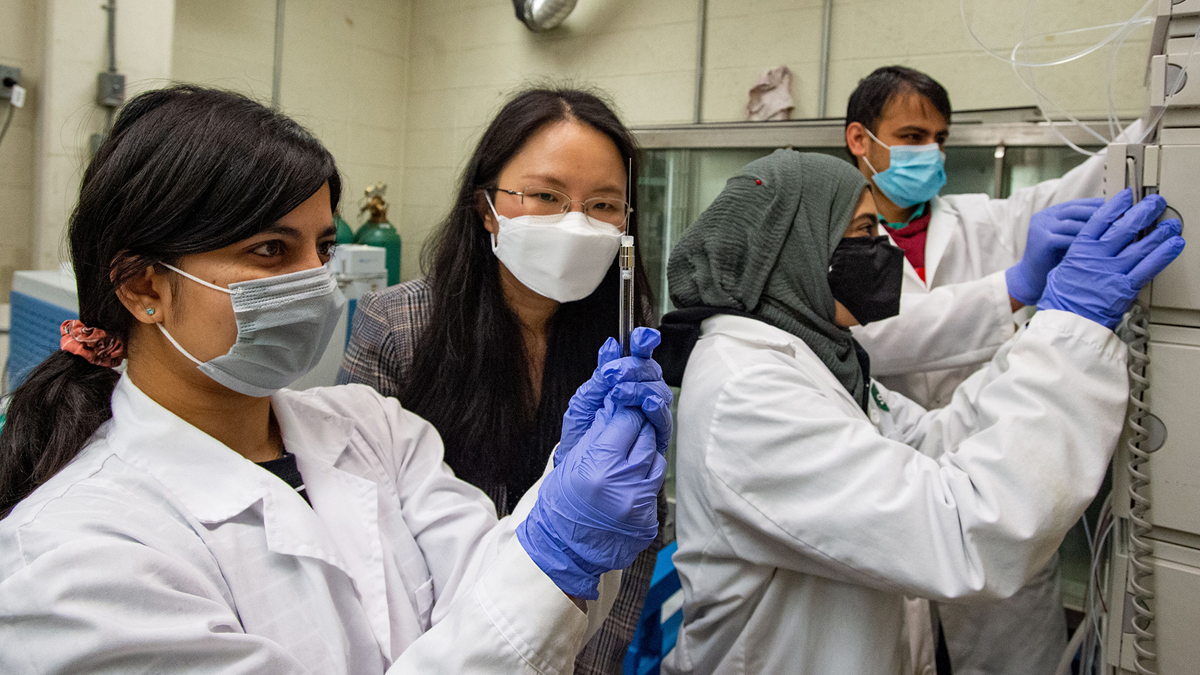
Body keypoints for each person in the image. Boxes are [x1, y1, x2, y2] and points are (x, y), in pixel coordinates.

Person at [0, 85, 674, 674]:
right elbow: (516, 616)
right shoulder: (71, 561)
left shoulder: (374, 429)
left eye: (321, 248)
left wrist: (568, 496)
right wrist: (557, 550)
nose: (315, 283)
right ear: (143, 286)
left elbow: (503, 595)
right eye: (270, 249)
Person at [658, 150, 1183, 675]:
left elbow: (938, 438)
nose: (883, 250)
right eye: (865, 230)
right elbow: (966, 531)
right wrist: (1072, 331)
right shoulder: (748, 391)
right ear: (795, 246)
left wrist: (1048, 323)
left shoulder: (817, 359)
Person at [338, 87, 659, 673]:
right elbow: (363, 528)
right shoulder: (401, 325)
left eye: (604, 206)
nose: (576, 225)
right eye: (546, 196)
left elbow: (632, 533)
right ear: (487, 206)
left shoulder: (621, 345)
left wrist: (581, 663)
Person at [843, 65, 1143, 674]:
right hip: (885, 497)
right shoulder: (833, 237)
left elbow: (1101, 177)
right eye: (912, 136)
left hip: (996, 483)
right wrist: (1009, 288)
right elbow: (870, 338)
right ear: (860, 140)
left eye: (939, 138)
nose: (930, 152)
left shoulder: (987, 220)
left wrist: (1171, 106)